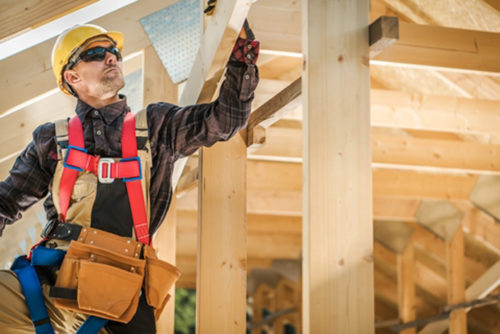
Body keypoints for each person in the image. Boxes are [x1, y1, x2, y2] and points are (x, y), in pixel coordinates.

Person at [0, 19, 259, 334]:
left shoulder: (156, 127)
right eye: (96, 52)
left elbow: (225, 119)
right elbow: (5, 202)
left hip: (119, 300)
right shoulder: (51, 140)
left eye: (114, 52)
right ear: (72, 76)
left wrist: (242, 48)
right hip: (49, 289)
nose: (111, 57)